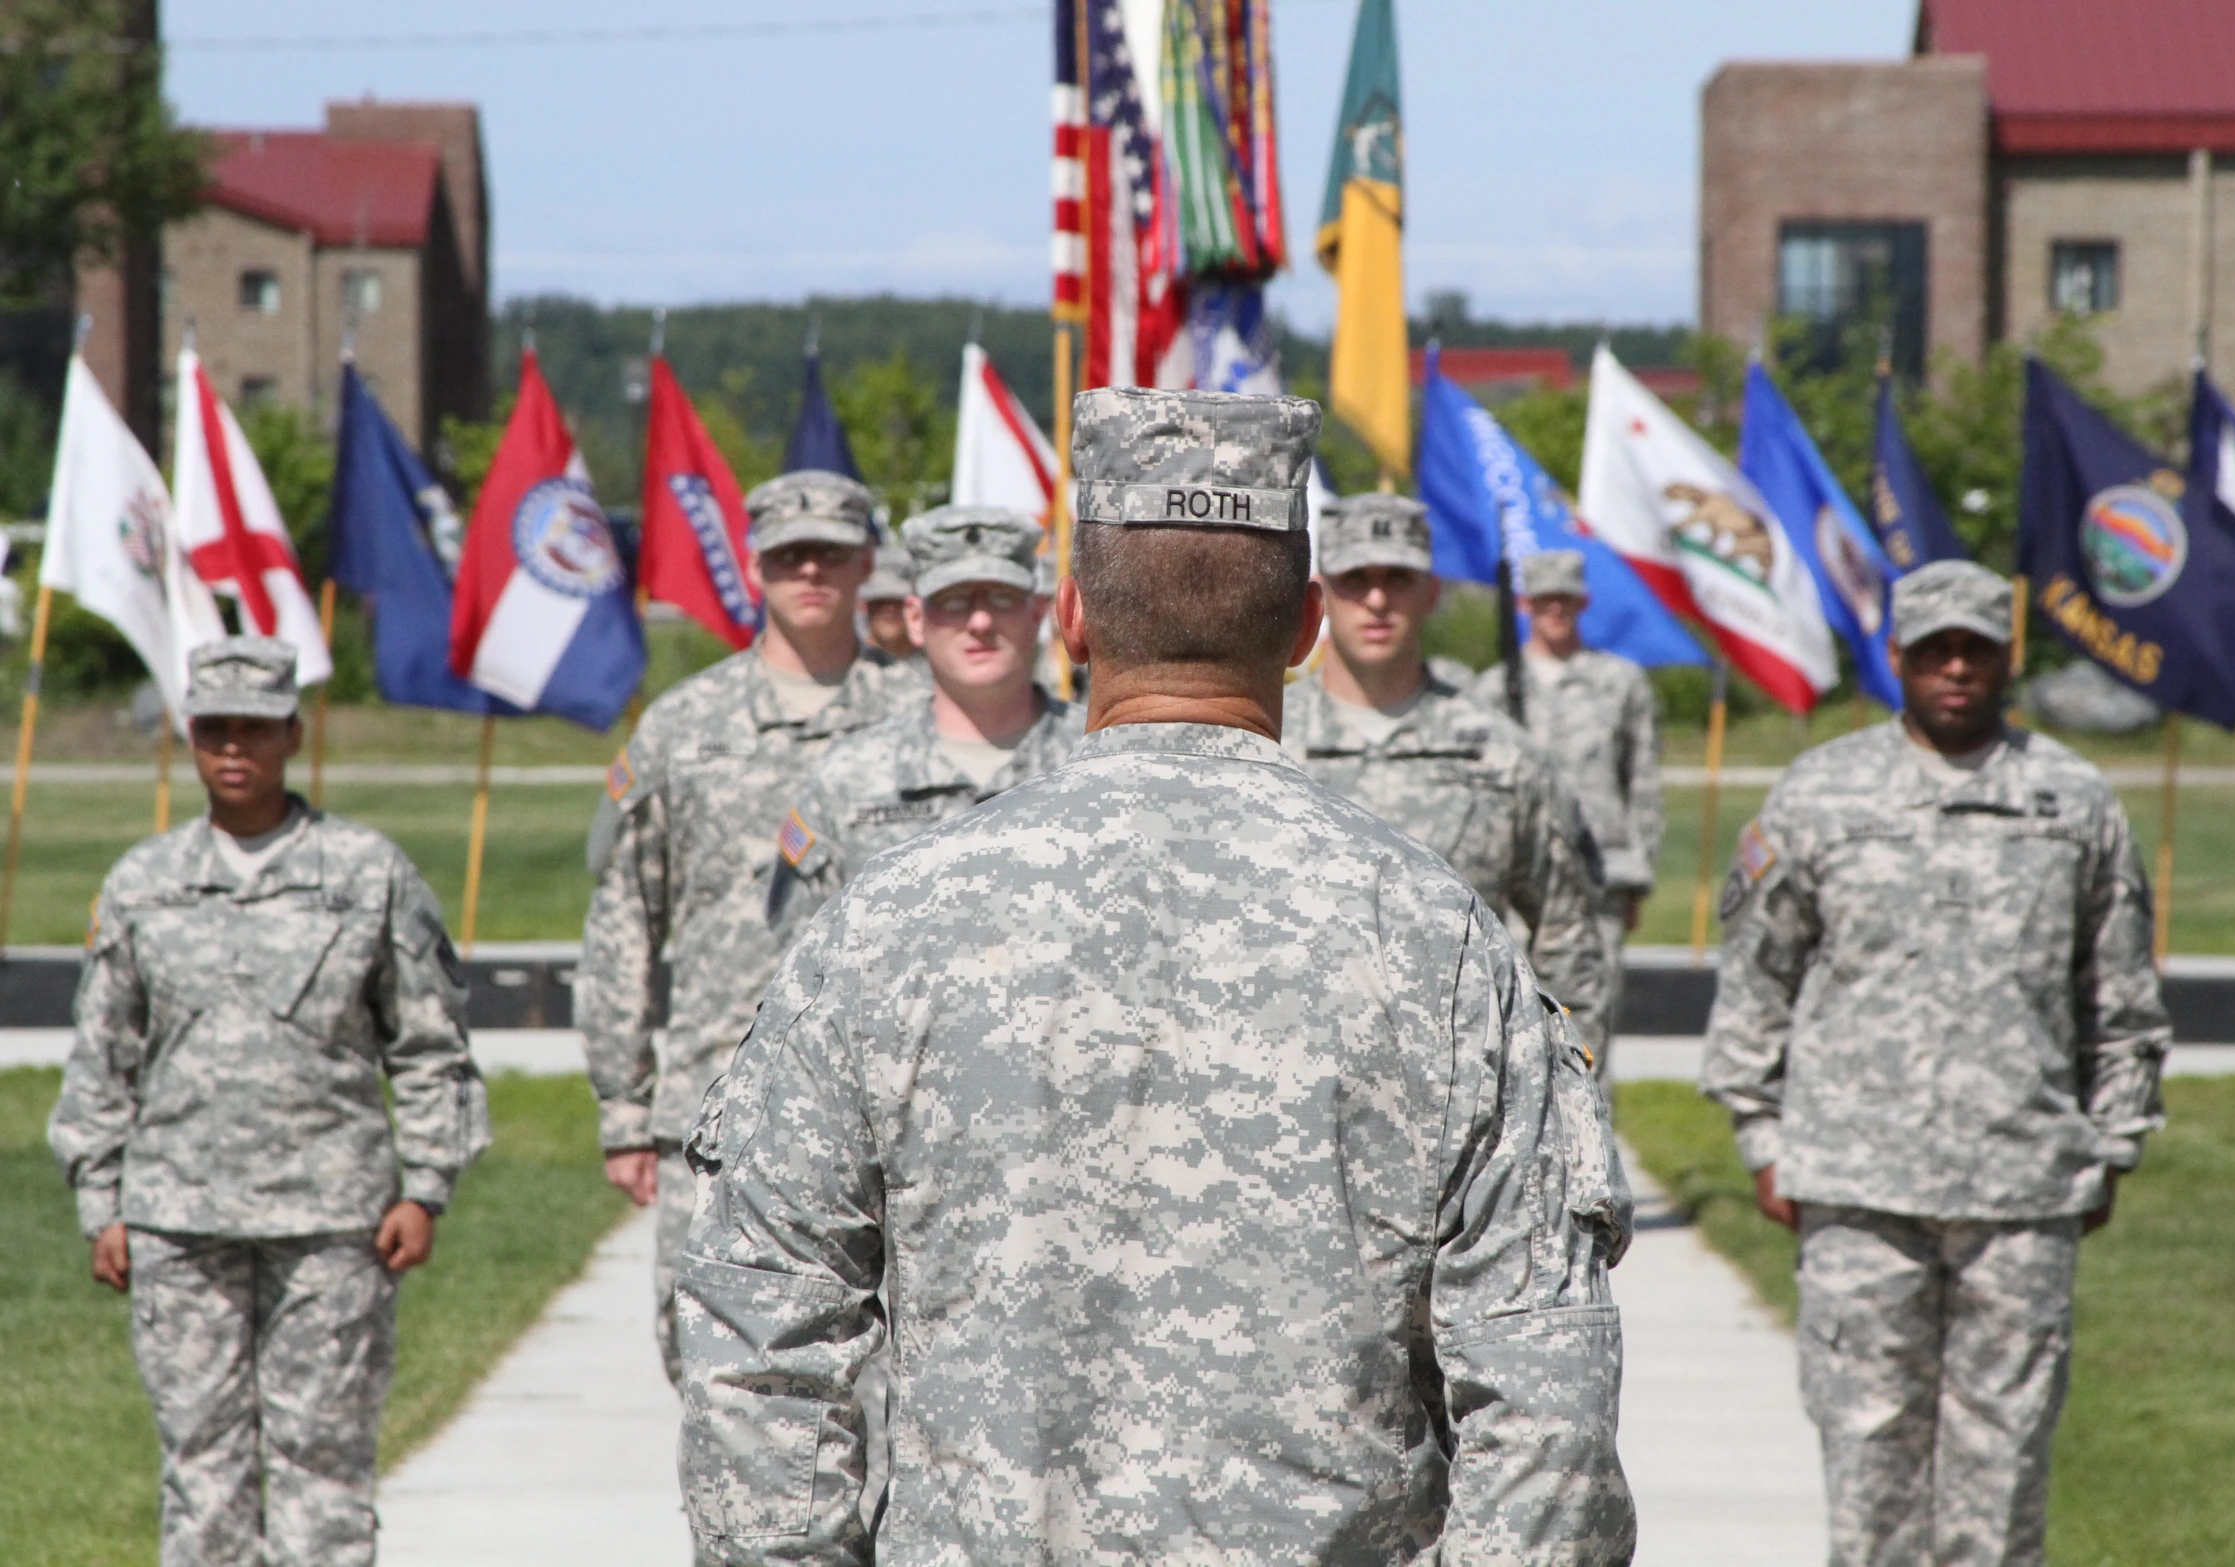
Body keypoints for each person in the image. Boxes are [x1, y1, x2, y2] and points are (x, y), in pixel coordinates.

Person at [676, 388, 1636, 1564]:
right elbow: (1549, 1406)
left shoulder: (888, 918)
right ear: (1305, 626)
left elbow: (759, 1342)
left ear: (1070, 617)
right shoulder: (1441, 944)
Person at [1702, 559, 2169, 1567]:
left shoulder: (2071, 800)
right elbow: (1755, 975)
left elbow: (2121, 996)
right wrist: (1759, 1133)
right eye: (1934, 650)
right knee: (1867, 1461)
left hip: (2022, 1187)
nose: (1956, 668)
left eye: (1976, 648)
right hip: (1856, 1185)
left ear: (2007, 656)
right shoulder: (1821, 793)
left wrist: (2112, 1144)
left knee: (2001, 1478)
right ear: (1898, 659)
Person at [49, 636, 488, 1567]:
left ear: (294, 731)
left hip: (333, 1222)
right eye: (214, 727)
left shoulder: (366, 873)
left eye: (255, 726)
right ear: (190, 736)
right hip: (177, 1221)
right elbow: (104, 1055)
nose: (234, 746)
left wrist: (427, 1185)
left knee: (322, 1474)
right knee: (201, 1475)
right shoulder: (144, 882)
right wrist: (101, 1200)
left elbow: (428, 1043)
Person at [578, 469, 907, 1387]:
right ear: (755, 567)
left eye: (833, 553)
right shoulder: (684, 727)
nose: (812, 570)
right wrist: (622, 1105)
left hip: (884, 1107)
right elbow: (623, 921)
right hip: (713, 1114)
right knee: (715, 1375)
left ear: (867, 563)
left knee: (889, 1382)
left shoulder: (916, 718)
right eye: (789, 554)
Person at [1283, 493, 1614, 1057]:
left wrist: (1565, 1092)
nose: (1378, 599)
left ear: (1431, 592)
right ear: (1320, 596)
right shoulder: (1267, 744)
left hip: (1457, 1098)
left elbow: (1569, 944)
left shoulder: (1501, 757)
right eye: (1355, 578)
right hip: (1293, 1095)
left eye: (1399, 578)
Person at [766, 505, 1084, 952]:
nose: (980, 622)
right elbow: (798, 970)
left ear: (1036, 612)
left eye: (1001, 598)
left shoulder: (1098, 756)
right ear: (915, 618)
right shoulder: (847, 780)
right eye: (954, 602)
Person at [1473, 548, 1662, 1059]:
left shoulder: (1619, 683)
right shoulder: (1491, 690)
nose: (1555, 610)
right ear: (1525, 605)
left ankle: (1592, 1136)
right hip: (1513, 883)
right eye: (1544, 601)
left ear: (1584, 603)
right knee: (1505, 1031)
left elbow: (1641, 781)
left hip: (1598, 876)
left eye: (1566, 600)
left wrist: (1637, 876)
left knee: (1587, 1038)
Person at [861, 535, 918, 661]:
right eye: (879, 600)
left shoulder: (941, 668)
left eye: (898, 600)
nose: (889, 608)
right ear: (865, 605)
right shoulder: (839, 665)